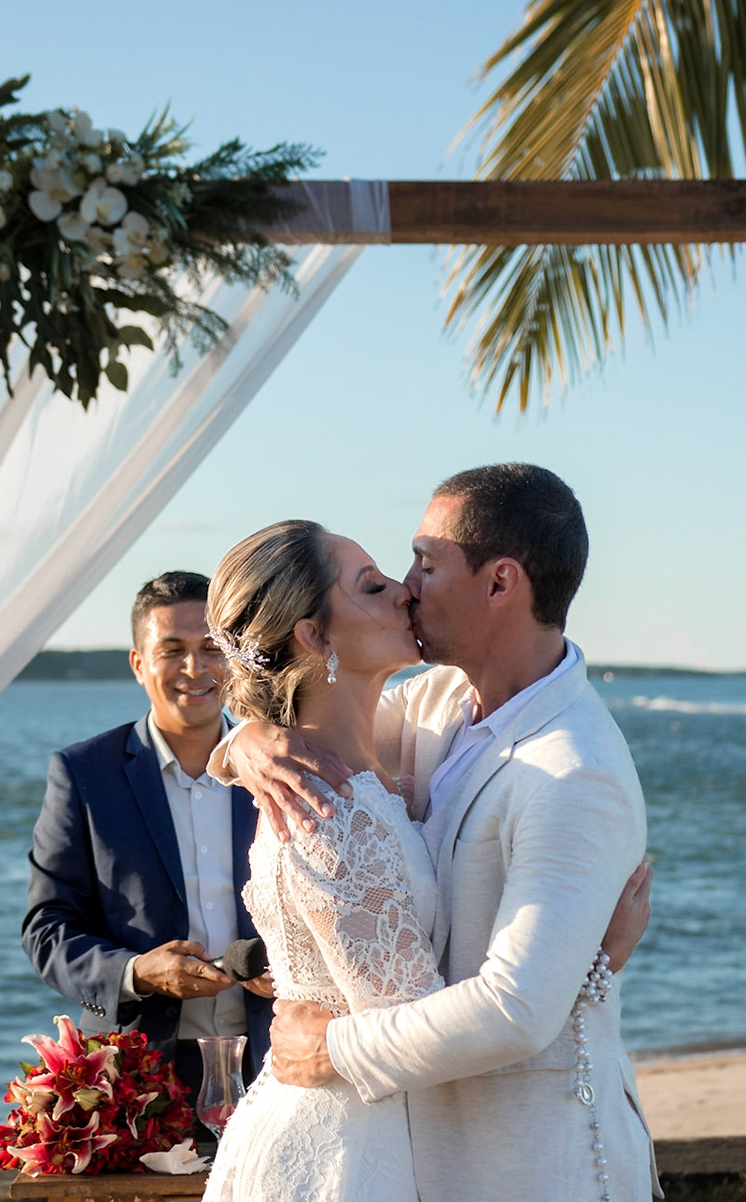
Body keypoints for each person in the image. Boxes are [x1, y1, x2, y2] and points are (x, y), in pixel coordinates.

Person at [216, 465, 658, 1200]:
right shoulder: (443, 701)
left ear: (499, 583)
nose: (407, 585)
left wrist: (331, 1047)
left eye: (426, 563)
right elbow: (317, 726)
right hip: (403, 1150)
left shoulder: (574, 770)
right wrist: (246, 740)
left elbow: (515, 1008)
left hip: (528, 1159)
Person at [21, 571, 273, 1096]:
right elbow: (46, 929)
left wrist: (297, 967)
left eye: (212, 648)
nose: (194, 668)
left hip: (277, 1058)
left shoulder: (280, 762)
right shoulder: (83, 774)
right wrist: (137, 973)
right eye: (173, 649)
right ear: (138, 663)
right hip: (138, 1073)